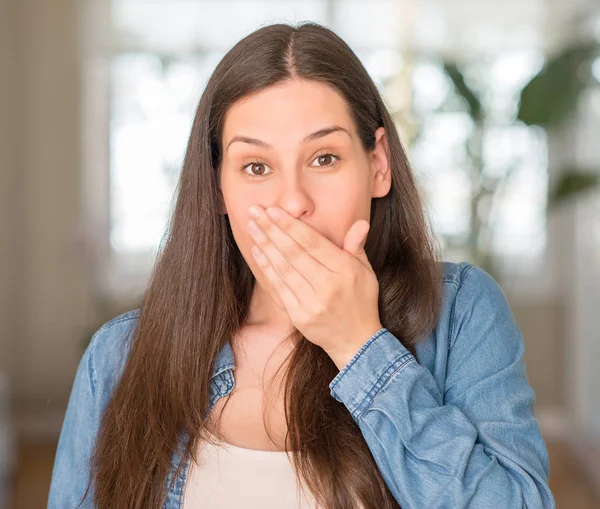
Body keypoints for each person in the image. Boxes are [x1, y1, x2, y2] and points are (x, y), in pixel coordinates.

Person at [47, 21, 556, 509]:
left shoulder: (461, 313)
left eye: (324, 158)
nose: (293, 202)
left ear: (377, 165)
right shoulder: (116, 358)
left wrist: (361, 347)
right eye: (256, 167)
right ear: (218, 188)